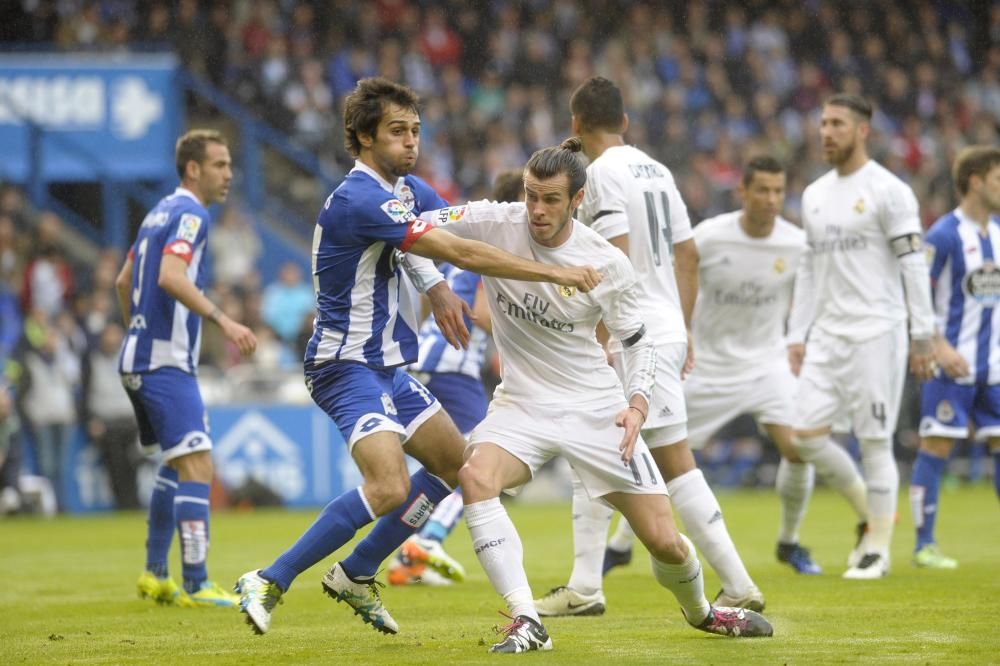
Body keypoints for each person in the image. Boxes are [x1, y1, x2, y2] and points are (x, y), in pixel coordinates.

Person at [235, 78, 600, 637]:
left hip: (388, 368)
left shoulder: (402, 190)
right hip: (343, 366)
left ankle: (357, 571)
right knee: (387, 488)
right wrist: (554, 271)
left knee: (461, 467)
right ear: (361, 138)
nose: (411, 143)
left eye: (415, 132)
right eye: (397, 132)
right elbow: (454, 248)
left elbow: (458, 219)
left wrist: (439, 282)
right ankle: (269, 577)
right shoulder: (361, 197)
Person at [427, 142, 771, 653]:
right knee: (476, 477)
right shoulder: (493, 219)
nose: (537, 210)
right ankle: (527, 621)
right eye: (530, 197)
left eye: (550, 199)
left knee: (664, 541)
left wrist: (636, 406)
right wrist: (434, 285)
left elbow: (637, 341)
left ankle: (703, 612)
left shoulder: (605, 260)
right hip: (522, 402)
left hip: (595, 407)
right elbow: (409, 229)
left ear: (578, 199)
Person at [534, 76, 764, 618]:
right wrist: (682, 329)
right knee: (594, 452)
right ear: (626, 122)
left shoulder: (601, 174)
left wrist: (604, 334)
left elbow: (615, 256)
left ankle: (737, 581)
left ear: (574, 124)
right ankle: (586, 586)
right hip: (663, 324)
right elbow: (688, 255)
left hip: (630, 331)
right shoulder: (655, 169)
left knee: (674, 462)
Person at [786, 94, 936, 579]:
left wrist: (923, 333)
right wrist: (797, 332)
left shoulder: (889, 191)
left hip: (878, 331)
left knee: (874, 442)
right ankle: (869, 516)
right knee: (804, 436)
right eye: (823, 123)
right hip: (827, 335)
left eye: (837, 124)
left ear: (863, 130)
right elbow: (808, 267)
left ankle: (877, 549)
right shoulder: (812, 194)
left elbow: (913, 263)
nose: (826, 132)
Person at [119, 129, 258, 607]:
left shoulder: (156, 213)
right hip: (165, 363)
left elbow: (124, 280)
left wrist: (137, 330)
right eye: (219, 165)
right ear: (193, 169)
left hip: (137, 356)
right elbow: (170, 276)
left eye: (229, 165)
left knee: (177, 463)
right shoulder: (191, 214)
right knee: (199, 463)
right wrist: (224, 320)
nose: (229, 174)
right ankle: (197, 581)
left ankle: (156, 574)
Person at [680, 156, 822, 574]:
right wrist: (680, 330)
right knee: (663, 454)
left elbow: (811, 291)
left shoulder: (796, 243)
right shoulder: (708, 237)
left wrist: (797, 336)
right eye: (763, 189)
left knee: (798, 448)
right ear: (742, 191)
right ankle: (620, 545)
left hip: (766, 364)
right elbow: (679, 276)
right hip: (706, 364)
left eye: (779, 190)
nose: (772, 199)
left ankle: (790, 542)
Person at [388, 169, 522, 587]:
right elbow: (481, 312)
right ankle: (426, 542)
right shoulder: (491, 249)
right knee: (476, 465)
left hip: (429, 360)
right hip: (454, 366)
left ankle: (404, 559)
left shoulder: (463, 248)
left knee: (441, 471)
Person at [911, 145, 1000, 569]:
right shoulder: (944, 235)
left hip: (994, 366)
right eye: (998, 179)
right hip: (951, 365)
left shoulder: (999, 233)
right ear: (976, 181)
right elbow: (916, 295)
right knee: (936, 446)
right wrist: (938, 345)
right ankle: (924, 545)